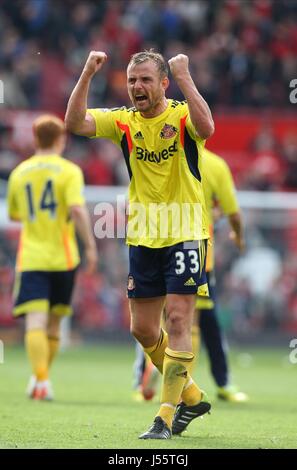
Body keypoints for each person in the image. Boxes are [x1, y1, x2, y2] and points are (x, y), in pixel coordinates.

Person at [65, 49, 215, 439]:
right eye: (133, 80)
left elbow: (208, 128)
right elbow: (74, 122)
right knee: (143, 330)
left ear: (163, 83)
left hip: (184, 230)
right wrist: (87, 73)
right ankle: (193, 395)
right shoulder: (124, 122)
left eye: (146, 79)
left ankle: (165, 416)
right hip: (144, 235)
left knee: (178, 320)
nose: (137, 87)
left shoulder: (181, 114)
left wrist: (185, 75)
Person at [133, 148, 248, 403]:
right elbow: (233, 212)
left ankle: (150, 373)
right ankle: (188, 386)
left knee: (157, 320)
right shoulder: (215, 164)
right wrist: (238, 236)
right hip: (194, 244)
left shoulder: (162, 155)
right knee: (192, 320)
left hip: (154, 242)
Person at [7, 114, 98, 400]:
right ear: (62, 139)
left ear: (35, 139)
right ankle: (41, 378)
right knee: (55, 323)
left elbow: (14, 214)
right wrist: (91, 246)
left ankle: (40, 379)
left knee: (35, 321)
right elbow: (77, 210)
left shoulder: (19, 172)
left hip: (32, 257)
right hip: (64, 257)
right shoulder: (69, 171)